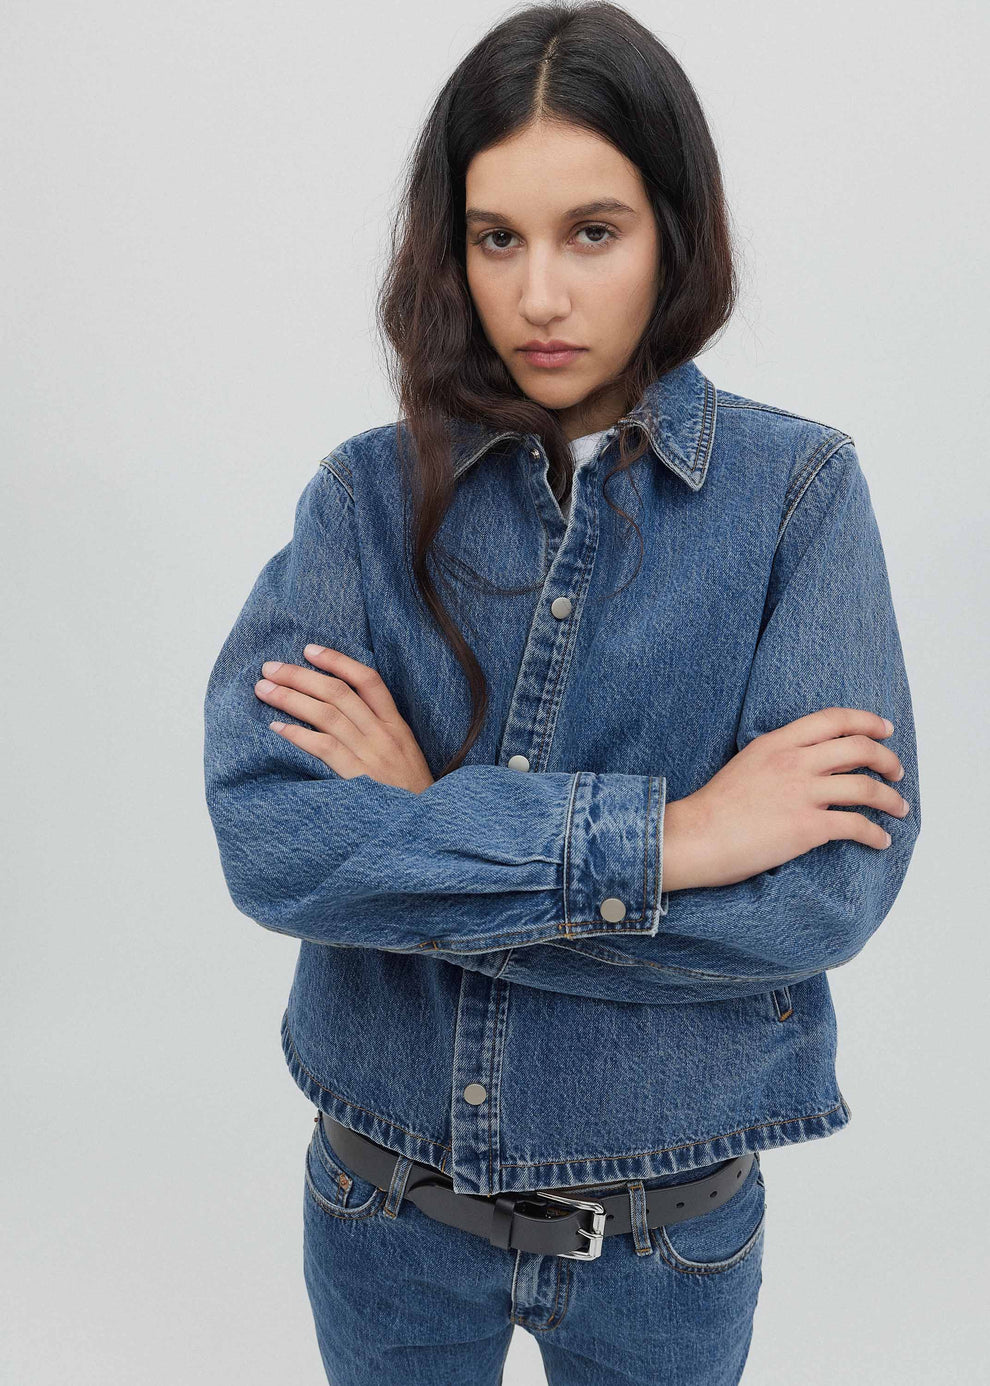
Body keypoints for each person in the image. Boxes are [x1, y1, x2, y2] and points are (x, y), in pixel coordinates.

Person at [202, 3, 921, 1382]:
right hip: (385, 1208)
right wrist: (681, 838)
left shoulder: (796, 498)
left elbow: (820, 899)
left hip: (665, 1236)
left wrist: (424, 830)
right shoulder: (361, 498)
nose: (537, 295)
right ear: (450, 243)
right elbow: (274, 840)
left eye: (591, 232)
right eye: (496, 238)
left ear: (672, 230)